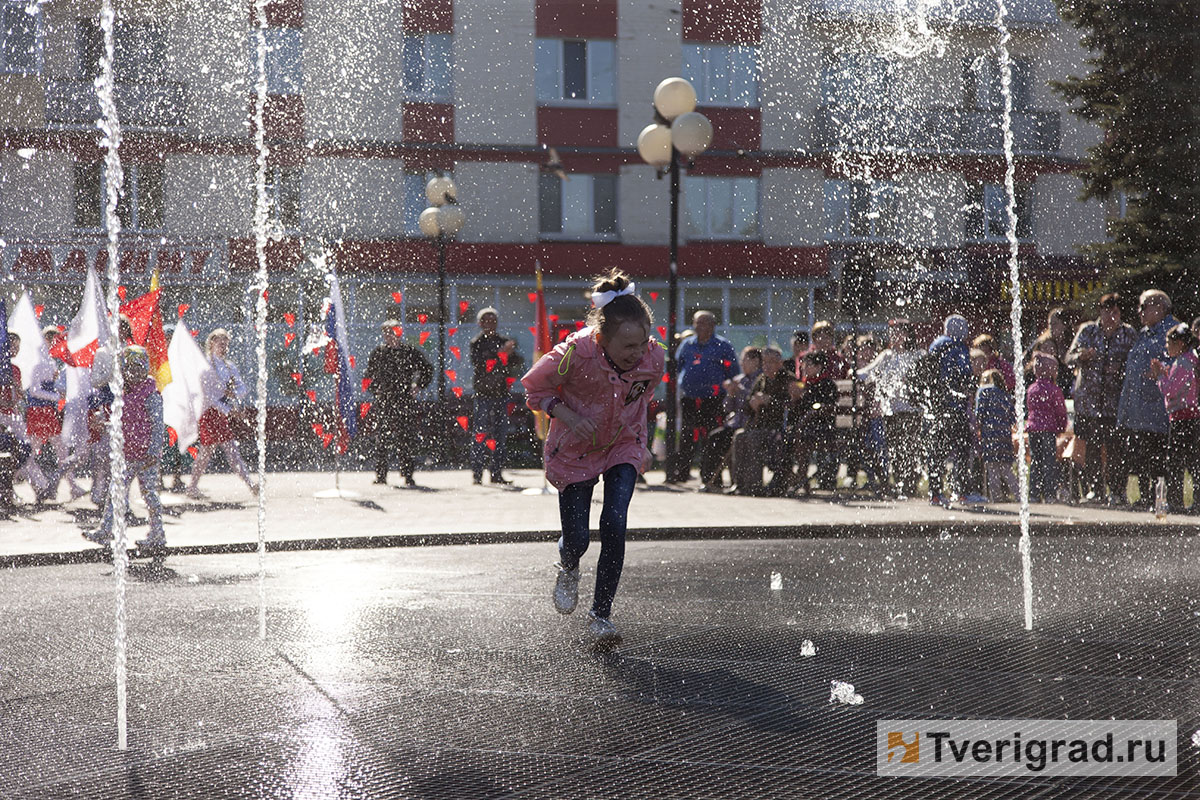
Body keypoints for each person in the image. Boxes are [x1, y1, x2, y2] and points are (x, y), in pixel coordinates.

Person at [523, 270, 663, 645]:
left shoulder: (653, 357)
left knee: (615, 521)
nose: (637, 354)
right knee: (579, 538)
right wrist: (568, 416)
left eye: (642, 344)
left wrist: (640, 442)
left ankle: (601, 616)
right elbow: (533, 389)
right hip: (575, 447)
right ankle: (568, 562)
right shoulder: (575, 352)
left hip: (622, 444)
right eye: (627, 347)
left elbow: (642, 398)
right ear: (602, 339)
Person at [83, 346, 166, 551]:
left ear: (145, 368)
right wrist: (103, 423)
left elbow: (157, 426)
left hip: (146, 456)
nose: (134, 373)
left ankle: (158, 534)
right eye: (130, 368)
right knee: (116, 493)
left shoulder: (151, 394)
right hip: (127, 454)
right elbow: (120, 421)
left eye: (139, 368)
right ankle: (106, 529)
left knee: (150, 495)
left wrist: (154, 452)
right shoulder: (122, 393)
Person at [1065, 293, 1137, 504]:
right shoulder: (1088, 331)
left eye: (1115, 312)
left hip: (1115, 404)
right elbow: (1069, 358)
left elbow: (1135, 363)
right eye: (1107, 311)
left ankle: (1117, 491)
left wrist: (1121, 369)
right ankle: (1096, 490)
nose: (1110, 316)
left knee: (1116, 449)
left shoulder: (1127, 334)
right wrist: (1082, 357)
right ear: (1100, 311)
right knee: (1092, 448)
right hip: (1089, 402)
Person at [1117, 290, 1179, 509]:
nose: (1139, 311)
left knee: (1159, 458)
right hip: (1139, 411)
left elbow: (1179, 364)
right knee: (1142, 456)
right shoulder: (1144, 333)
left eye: (1144, 306)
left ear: (1160, 308)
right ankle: (1144, 498)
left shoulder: (1172, 332)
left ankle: (1160, 500)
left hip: (1160, 410)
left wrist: (1161, 373)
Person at [187, 329, 257, 499]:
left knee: (213, 452)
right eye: (221, 343)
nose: (224, 347)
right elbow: (208, 396)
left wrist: (233, 394)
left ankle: (192, 487)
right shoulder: (205, 367)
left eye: (226, 343)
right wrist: (229, 410)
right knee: (217, 451)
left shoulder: (228, 366)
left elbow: (242, 388)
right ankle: (250, 484)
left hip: (221, 414)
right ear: (212, 344)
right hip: (209, 413)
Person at [364, 319, 434, 487]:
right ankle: (381, 475)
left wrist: (419, 385)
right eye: (387, 332)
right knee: (382, 438)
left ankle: (408, 474)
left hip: (404, 399)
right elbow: (368, 376)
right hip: (385, 400)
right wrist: (376, 389)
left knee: (406, 438)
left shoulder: (409, 351)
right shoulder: (379, 353)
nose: (390, 335)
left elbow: (427, 369)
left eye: (393, 331)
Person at [672, 311, 737, 490]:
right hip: (690, 398)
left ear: (712, 325)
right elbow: (679, 367)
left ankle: (709, 476)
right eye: (697, 323)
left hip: (714, 399)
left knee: (711, 437)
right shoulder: (687, 344)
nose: (700, 327)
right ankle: (682, 473)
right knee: (688, 435)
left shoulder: (723, 346)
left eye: (704, 323)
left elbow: (733, 373)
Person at [923, 314, 983, 506]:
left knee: (937, 450)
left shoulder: (935, 346)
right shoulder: (958, 347)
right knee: (963, 447)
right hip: (954, 406)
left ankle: (935, 493)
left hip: (937, 406)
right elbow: (965, 374)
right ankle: (962, 491)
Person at [858, 318, 921, 497]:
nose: (894, 336)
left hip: (911, 410)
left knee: (910, 447)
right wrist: (853, 371)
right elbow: (867, 372)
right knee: (895, 448)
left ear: (907, 335)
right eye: (892, 333)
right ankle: (900, 483)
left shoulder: (916, 356)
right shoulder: (887, 356)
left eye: (898, 332)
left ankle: (910, 484)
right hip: (892, 410)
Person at [27, 326, 84, 502]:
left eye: (56, 338)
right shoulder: (39, 363)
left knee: (61, 450)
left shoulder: (50, 362)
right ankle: (40, 485)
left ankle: (69, 486)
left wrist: (58, 394)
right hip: (38, 412)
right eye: (51, 338)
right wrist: (55, 396)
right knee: (31, 453)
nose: (54, 342)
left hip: (48, 412)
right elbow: (34, 390)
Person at [468, 307, 523, 485]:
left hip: (501, 393)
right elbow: (480, 362)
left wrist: (511, 352)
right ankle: (477, 474)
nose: (490, 324)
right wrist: (502, 353)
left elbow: (517, 362)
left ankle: (496, 473)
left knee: (500, 435)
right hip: (483, 394)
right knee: (481, 434)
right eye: (487, 321)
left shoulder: (503, 341)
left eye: (493, 321)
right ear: (480, 323)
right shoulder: (476, 342)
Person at [1150, 323, 1199, 514]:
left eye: (1168, 344)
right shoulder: (1191, 360)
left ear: (1179, 343)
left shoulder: (1183, 363)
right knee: (1193, 461)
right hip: (1191, 417)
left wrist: (1160, 377)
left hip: (1182, 418)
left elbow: (1170, 390)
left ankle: (1176, 501)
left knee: (1176, 462)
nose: (1166, 348)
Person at [734, 346, 791, 496]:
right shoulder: (761, 380)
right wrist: (752, 403)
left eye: (771, 362)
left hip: (779, 426)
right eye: (764, 362)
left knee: (754, 438)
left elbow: (791, 405)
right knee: (740, 436)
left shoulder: (787, 379)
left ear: (780, 363)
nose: (767, 366)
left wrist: (769, 400)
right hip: (761, 425)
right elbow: (747, 405)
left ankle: (754, 485)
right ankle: (740, 483)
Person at [709, 346, 761, 494]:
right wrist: (731, 394)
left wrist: (741, 391)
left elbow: (751, 402)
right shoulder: (738, 380)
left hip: (749, 423)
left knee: (737, 438)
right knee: (714, 437)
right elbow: (726, 408)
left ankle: (740, 481)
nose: (742, 363)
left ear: (755, 361)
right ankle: (713, 480)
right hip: (734, 423)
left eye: (745, 360)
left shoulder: (759, 379)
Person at [1026, 352, 1068, 503]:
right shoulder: (1054, 390)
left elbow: (1030, 409)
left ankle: (1034, 493)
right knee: (1049, 462)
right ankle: (1050, 494)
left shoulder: (1031, 389)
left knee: (1035, 461)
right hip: (1048, 429)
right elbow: (1060, 410)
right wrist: (1062, 426)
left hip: (1033, 428)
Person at [976, 368, 1018, 501]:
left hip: (990, 435)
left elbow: (979, 414)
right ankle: (1020, 496)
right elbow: (1012, 418)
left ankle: (997, 498)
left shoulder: (983, 392)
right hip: (1004, 434)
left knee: (992, 468)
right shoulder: (1005, 394)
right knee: (1006, 469)